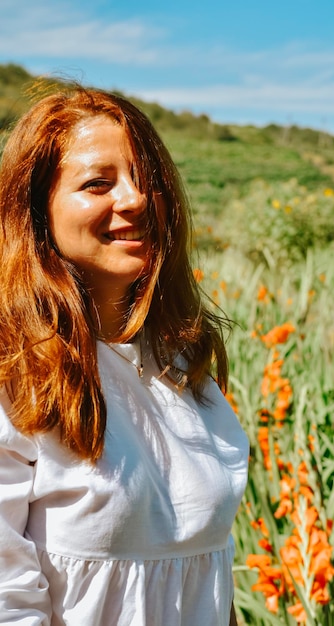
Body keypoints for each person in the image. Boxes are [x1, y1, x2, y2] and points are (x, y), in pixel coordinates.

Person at [0, 85, 248, 625]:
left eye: (148, 179)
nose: (136, 199)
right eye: (98, 183)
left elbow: (209, 573)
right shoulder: (14, 372)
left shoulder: (184, 364)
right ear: (36, 209)